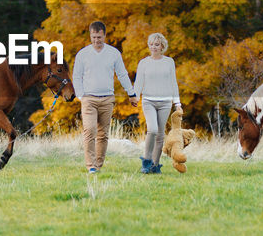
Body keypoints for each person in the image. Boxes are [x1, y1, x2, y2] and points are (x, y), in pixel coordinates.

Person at [71, 21, 135, 173]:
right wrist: (81, 96)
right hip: (89, 99)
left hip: (107, 99)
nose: (96, 40)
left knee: (103, 134)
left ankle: (98, 165)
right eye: (93, 37)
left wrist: (131, 93)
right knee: (89, 130)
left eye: (99, 37)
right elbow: (76, 76)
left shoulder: (113, 53)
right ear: (90, 36)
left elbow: (122, 74)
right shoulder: (83, 54)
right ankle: (91, 165)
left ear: (104, 36)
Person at [134, 32, 182, 174]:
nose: (153, 47)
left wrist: (177, 102)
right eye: (151, 44)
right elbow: (139, 82)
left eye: (156, 44)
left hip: (165, 102)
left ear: (162, 46)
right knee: (152, 130)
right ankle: (146, 162)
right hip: (149, 101)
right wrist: (135, 97)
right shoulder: (144, 63)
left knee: (160, 134)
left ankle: (155, 165)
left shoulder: (169, 62)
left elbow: (173, 82)